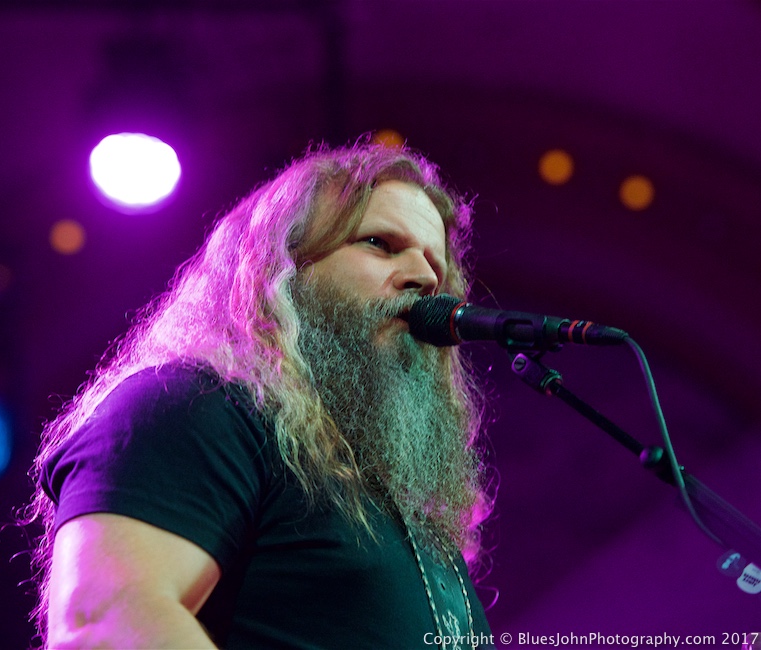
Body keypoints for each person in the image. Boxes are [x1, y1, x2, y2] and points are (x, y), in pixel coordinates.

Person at [25, 141, 497, 649]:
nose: (427, 278)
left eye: (435, 264)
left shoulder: (396, 499)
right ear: (281, 271)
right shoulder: (196, 407)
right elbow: (107, 623)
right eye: (380, 243)